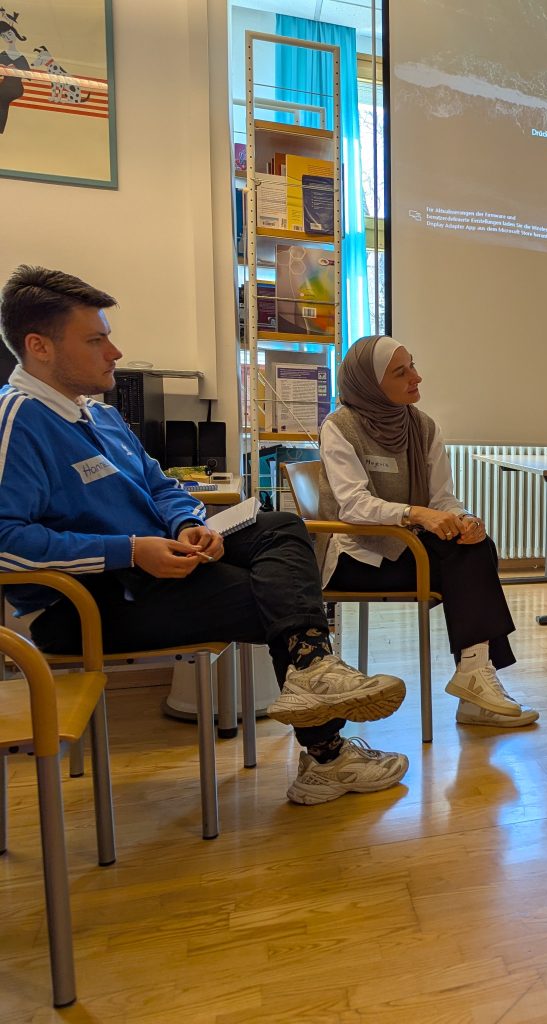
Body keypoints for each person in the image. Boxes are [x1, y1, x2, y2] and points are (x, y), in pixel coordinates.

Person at [0, 265, 410, 806]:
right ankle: (326, 750)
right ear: (39, 347)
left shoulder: (99, 416)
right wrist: (130, 550)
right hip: (84, 604)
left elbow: (162, 486)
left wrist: (188, 524)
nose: (115, 352)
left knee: (280, 526)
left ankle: (312, 677)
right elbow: (6, 543)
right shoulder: (18, 420)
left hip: (151, 571)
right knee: (270, 596)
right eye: (96, 340)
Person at [316, 335, 537, 728]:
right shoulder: (339, 427)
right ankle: (475, 682)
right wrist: (415, 514)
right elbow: (353, 505)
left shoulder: (422, 427)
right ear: (370, 385)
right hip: (357, 557)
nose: (416, 377)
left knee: (473, 544)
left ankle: (475, 674)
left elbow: (442, 499)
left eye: (413, 365)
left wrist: (464, 519)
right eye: (401, 372)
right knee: (470, 560)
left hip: (407, 548)